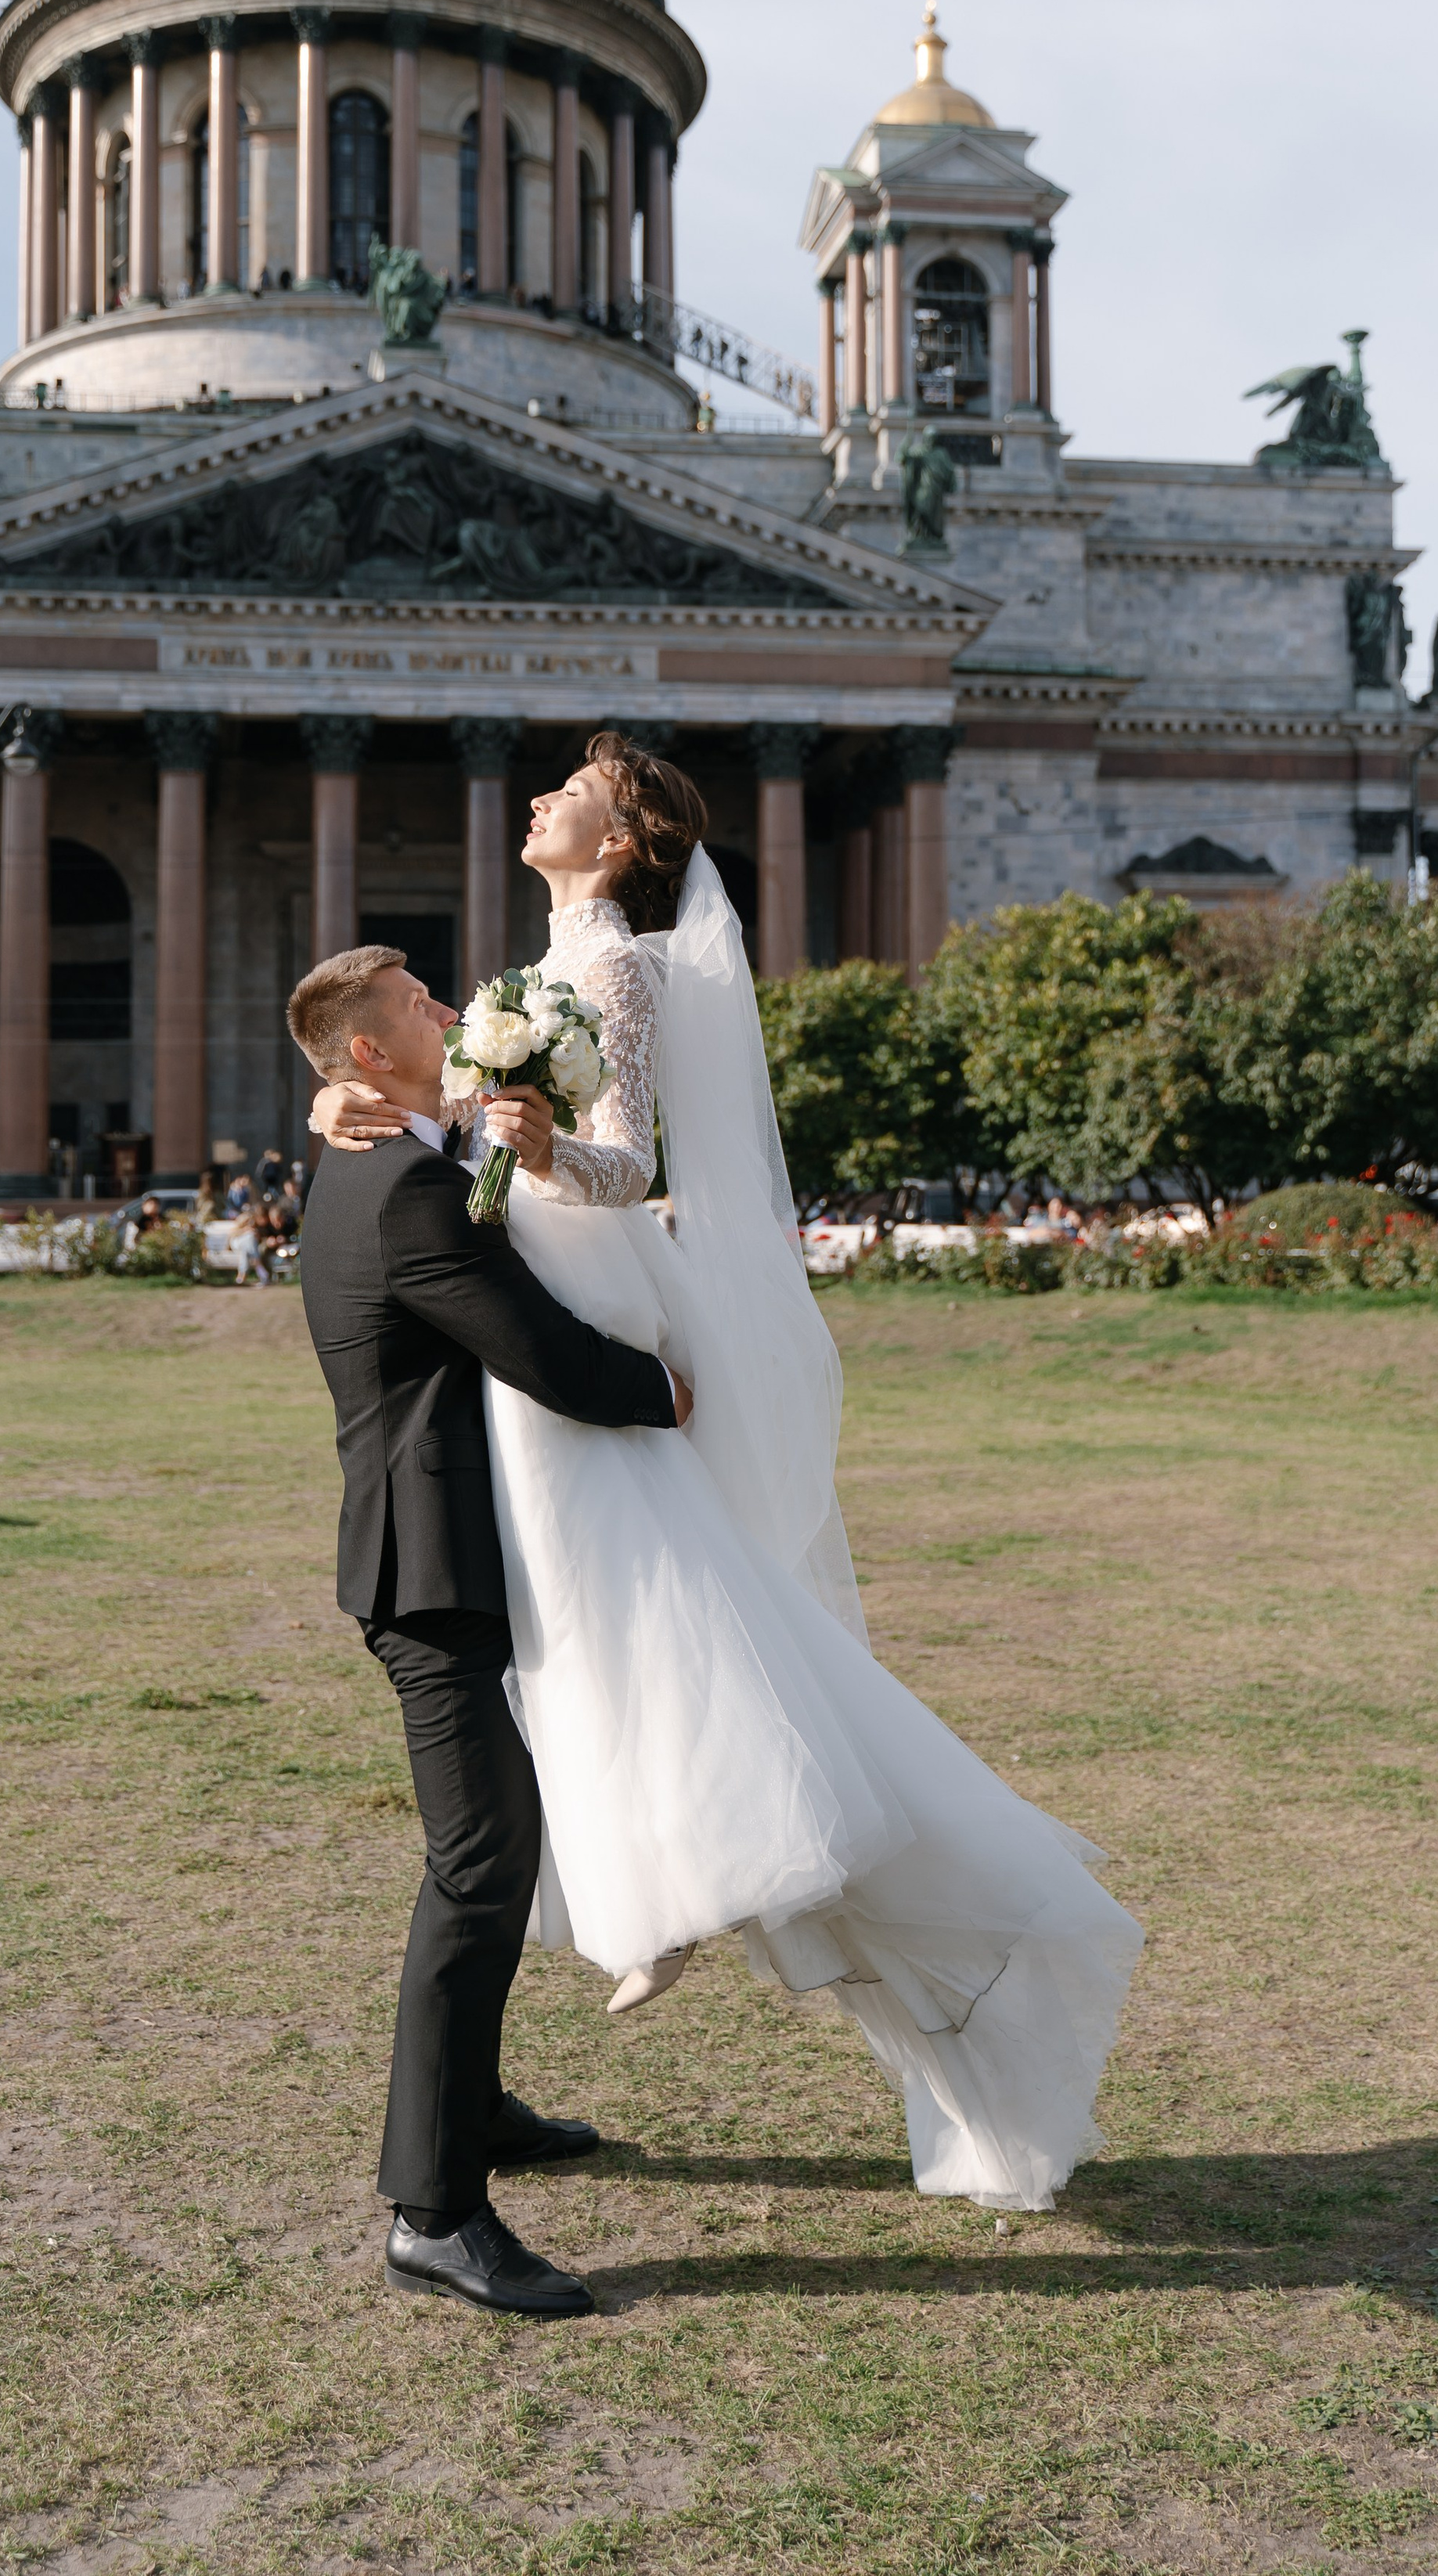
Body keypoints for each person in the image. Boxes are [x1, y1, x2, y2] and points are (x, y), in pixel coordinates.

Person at [313, 732, 1143, 2218]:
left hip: (588, 1299)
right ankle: (651, 1881)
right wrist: (371, 1104)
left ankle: (679, 1882)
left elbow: (630, 1163)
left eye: (575, 787)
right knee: (589, 1621)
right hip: (538, 1308)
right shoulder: (534, 967)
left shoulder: (618, 967)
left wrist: (537, 1139)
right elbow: (458, 1114)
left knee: (629, 1601)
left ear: (622, 840)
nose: (546, 795)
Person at [290, 942, 687, 2319]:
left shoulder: (368, 1159)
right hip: (432, 1570)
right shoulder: (401, 1191)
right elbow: (536, 1348)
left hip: (446, 1558)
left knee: (495, 1860)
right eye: (418, 1009)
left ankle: (481, 2109)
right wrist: (671, 1391)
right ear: (368, 1059)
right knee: (476, 1869)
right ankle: (435, 2209)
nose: (450, 1013)